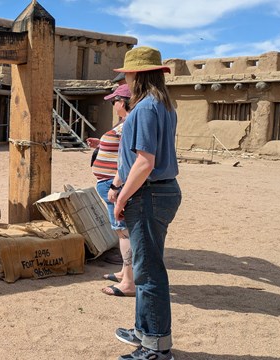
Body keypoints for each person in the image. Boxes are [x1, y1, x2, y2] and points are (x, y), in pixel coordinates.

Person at [109, 46, 182, 360]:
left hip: (148, 194)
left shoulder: (143, 108)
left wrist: (121, 196)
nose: (125, 76)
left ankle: (155, 346)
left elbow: (144, 162)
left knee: (149, 272)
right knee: (145, 267)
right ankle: (143, 331)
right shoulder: (165, 106)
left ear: (136, 74)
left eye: (127, 72)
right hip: (160, 191)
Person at [86, 84, 135, 298]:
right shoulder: (125, 124)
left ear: (122, 102)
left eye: (114, 101)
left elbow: (127, 158)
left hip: (114, 184)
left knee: (123, 231)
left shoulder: (128, 125)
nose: (113, 105)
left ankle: (129, 282)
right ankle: (125, 273)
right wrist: (102, 145)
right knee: (121, 230)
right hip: (109, 183)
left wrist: (115, 186)